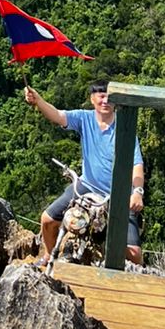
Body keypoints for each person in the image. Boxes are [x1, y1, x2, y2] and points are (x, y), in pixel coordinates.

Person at [25, 79, 144, 265]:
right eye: (101, 96)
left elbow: (136, 164)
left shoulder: (124, 128)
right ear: (92, 99)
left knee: (135, 254)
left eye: (110, 97)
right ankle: (49, 255)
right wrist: (38, 100)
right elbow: (57, 116)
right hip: (86, 185)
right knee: (47, 220)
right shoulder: (84, 118)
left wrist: (137, 192)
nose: (105, 101)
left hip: (118, 194)